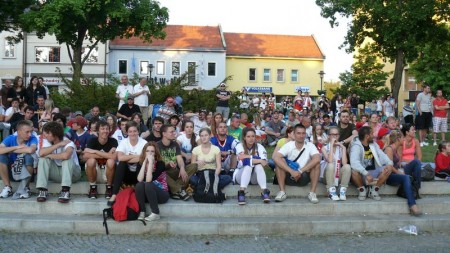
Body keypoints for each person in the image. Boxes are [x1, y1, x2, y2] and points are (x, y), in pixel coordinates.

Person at [272, 124, 321, 203]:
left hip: (304, 175)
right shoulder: (288, 145)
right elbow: (276, 157)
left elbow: (317, 158)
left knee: (316, 164)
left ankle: (312, 193)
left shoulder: (310, 145)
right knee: (280, 162)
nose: (301, 136)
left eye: (303, 133)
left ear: (306, 134)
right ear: (294, 134)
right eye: (298, 133)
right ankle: (282, 192)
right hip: (289, 176)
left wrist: (300, 171)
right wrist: (291, 171)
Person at [36, 122, 81, 203]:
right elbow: (41, 153)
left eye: (47, 133)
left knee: (67, 160)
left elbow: (66, 156)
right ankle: (42, 190)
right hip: (57, 173)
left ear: (54, 133)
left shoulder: (68, 142)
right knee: (43, 159)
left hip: (73, 174)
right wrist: (58, 145)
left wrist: (50, 155)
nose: (45, 135)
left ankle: (65, 191)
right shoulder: (48, 141)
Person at [107, 121, 147, 206]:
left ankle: (140, 192)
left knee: (140, 163)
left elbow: (144, 158)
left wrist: (127, 157)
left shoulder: (144, 143)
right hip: (126, 174)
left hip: (139, 173)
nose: (133, 133)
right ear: (127, 132)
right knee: (122, 164)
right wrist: (137, 157)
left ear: (138, 131)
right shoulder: (124, 142)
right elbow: (120, 158)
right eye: (130, 131)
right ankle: (114, 194)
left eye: (135, 131)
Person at [383, 130, 423, 216]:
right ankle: (412, 204)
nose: (404, 139)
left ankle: (416, 188)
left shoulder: (397, 148)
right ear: (398, 139)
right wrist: (399, 172)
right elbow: (390, 166)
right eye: (402, 137)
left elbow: (398, 163)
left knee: (416, 162)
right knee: (406, 177)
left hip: (398, 171)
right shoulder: (389, 149)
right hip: (390, 175)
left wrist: (403, 168)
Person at [350, 126, 394, 202]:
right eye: (372, 133)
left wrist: (390, 164)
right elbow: (354, 163)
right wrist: (366, 173)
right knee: (354, 171)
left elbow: (382, 155)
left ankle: (374, 190)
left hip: (374, 171)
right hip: (362, 173)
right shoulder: (356, 146)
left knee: (387, 170)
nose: (373, 135)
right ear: (367, 136)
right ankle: (362, 191)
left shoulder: (373, 144)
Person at [157, 124, 197, 200]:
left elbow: (179, 159)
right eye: (171, 132)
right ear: (164, 134)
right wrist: (168, 163)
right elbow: (157, 165)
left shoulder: (175, 144)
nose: (174, 133)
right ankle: (179, 190)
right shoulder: (157, 145)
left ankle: (174, 190)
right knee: (162, 173)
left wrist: (182, 168)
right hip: (164, 172)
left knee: (194, 166)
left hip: (175, 171)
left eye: (174, 131)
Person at [0, 120, 37, 199]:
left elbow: (31, 150)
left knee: (28, 156)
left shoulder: (33, 138)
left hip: (28, 173)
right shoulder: (10, 138)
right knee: (1, 156)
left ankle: (26, 188)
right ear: (19, 132)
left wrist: (9, 150)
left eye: (30, 132)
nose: (29, 134)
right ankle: (8, 187)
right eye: (27, 132)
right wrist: (17, 147)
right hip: (12, 171)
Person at [234, 127, 270, 205]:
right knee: (248, 166)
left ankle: (265, 191)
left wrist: (249, 157)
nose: (251, 139)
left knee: (258, 166)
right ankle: (241, 192)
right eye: (248, 136)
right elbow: (244, 161)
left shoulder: (259, 146)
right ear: (244, 137)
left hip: (254, 178)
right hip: (240, 176)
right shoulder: (239, 146)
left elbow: (264, 162)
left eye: (253, 136)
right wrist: (258, 160)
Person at [83, 120, 118, 199]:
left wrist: (95, 152)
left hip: (108, 172)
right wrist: (107, 155)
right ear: (98, 130)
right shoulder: (92, 140)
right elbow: (85, 155)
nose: (105, 131)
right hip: (95, 171)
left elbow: (113, 157)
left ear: (109, 130)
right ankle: (93, 188)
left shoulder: (113, 141)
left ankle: (109, 188)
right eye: (102, 129)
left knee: (111, 161)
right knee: (90, 161)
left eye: (107, 129)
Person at [135, 142, 169, 222]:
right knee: (139, 185)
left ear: (155, 153)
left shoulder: (160, 164)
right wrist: (144, 163)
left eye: (152, 151)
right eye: (147, 151)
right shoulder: (140, 163)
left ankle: (155, 213)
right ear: (144, 152)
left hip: (161, 194)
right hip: (148, 195)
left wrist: (150, 163)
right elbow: (139, 179)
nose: (149, 153)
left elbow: (149, 180)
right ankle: (142, 211)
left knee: (148, 184)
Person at [322, 126, 351, 201]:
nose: (335, 136)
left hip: (337, 175)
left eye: (337, 134)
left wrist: (344, 148)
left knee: (347, 166)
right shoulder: (324, 148)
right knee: (331, 165)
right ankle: (331, 191)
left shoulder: (340, 147)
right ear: (329, 136)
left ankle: (342, 191)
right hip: (327, 176)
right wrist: (331, 145)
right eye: (332, 134)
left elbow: (344, 163)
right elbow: (330, 161)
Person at [398, 124, 423, 189]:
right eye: (412, 130)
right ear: (407, 132)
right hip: (404, 164)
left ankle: (416, 186)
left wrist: (416, 162)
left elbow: (419, 156)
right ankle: (417, 187)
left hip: (414, 163)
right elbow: (399, 158)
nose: (415, 131)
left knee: (417, 163)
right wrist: (412, 161)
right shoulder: (401, 141)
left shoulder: (416, 141)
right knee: (416, 163)